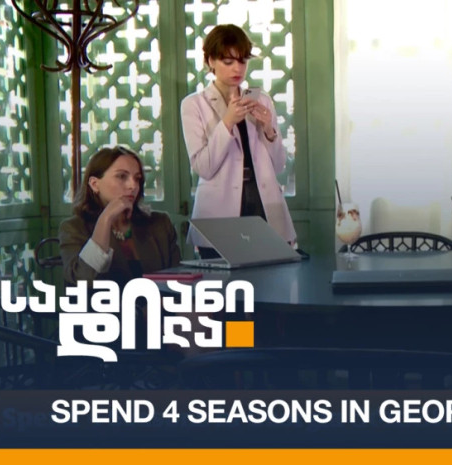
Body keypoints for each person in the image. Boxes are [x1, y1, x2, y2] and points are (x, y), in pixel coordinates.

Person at [181, 24, 296, 259]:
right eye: (228, 61)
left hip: (262, 201)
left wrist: (269, 130)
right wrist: (227, 122)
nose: (237, 68)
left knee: (271, 275)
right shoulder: (194, 104)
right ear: (210, 61)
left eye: (242, 61)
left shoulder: (261, 99)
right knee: (222, 278)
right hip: (219, 209)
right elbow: (203, 167)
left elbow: (278, 166)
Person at [60, 146, 181, 285]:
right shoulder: (74, 228)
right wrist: (105, 219)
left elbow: (179, 279)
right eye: (122, 176)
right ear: (95, 184)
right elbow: (81, 279)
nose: (133, 186)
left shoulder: (160, 223)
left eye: (137, 178)